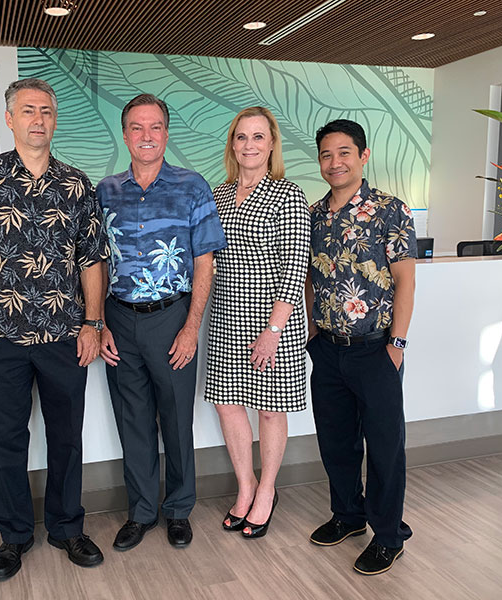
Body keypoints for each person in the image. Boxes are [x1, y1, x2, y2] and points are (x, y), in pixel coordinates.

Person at [0, 78, 109, 581]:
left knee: (66, 438)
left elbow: (92, 259)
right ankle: (14, 537)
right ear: (10, 119)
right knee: (5, 440)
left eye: (47, 112)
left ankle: (66, 527)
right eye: (28, 111)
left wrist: (93, 323)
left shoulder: (77, 184)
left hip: (63, 335)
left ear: (55, 121)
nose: (39, 119)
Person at [97, 94, 226, 551]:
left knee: (175, 419)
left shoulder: (192, 187)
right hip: (118, 319)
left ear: (166, 133)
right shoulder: (105, 190)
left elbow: (204, 262)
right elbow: (91, 261)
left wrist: (192, 328)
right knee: (132, 420)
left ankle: (178, 510)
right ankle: (142, 513)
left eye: (155, 127)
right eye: (136, 127)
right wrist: (99, 325)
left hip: (172, 318)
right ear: (125, 132)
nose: (146, 136)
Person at [304, 119, 417, 575]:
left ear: (363, 156)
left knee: (385, 446)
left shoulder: (391, 210)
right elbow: (309, 278)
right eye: (327, 155)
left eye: (345, 153)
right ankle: (349, 515)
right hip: (328, 350)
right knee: (336, 443)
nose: (335, 162)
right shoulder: (313, 214)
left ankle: (388, 536)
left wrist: (398, 344)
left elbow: (406, 279)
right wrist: (312, 334)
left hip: (376, 349)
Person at [205, 106, 311, 539]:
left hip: (274, 324)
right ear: (233, 144)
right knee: (227, 405)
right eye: (242, 137)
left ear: (271, 144)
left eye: (258, 137)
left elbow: (295, 269)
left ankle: (267, 490)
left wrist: (271, 333)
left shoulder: (287, 195)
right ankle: (245, 485)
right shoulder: (218, 195)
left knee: (270, 409)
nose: (249, 145)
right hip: (226, 318)